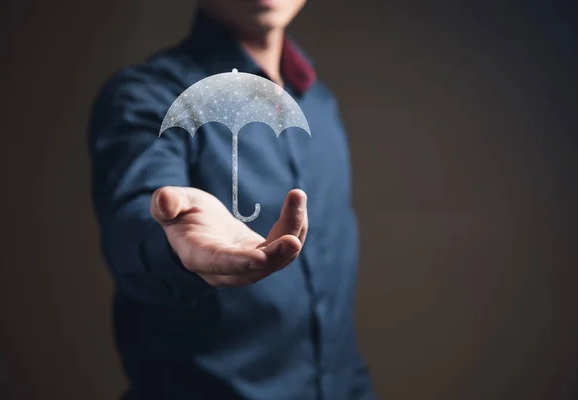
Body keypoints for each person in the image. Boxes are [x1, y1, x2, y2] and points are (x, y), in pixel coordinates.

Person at [88, 0, 377, 398]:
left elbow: (335, 324)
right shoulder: (149, 95)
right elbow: (135, 221)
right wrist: (176, 243)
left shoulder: (320, 105)